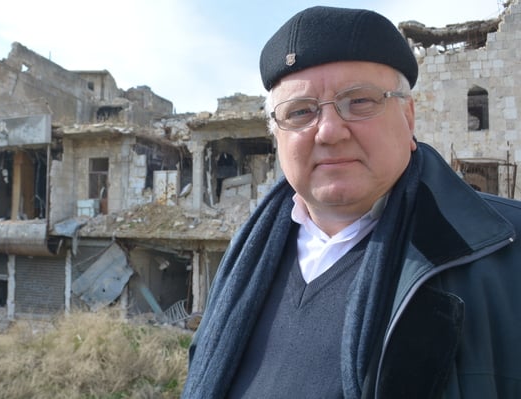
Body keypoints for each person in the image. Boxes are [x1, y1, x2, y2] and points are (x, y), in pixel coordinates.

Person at [182, 5, 521, 399]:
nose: (328, 131)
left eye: (359, 102)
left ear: (409, 117)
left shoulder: (506, 257)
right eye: (300, 112)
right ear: (276, 136)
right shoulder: (244, 257)